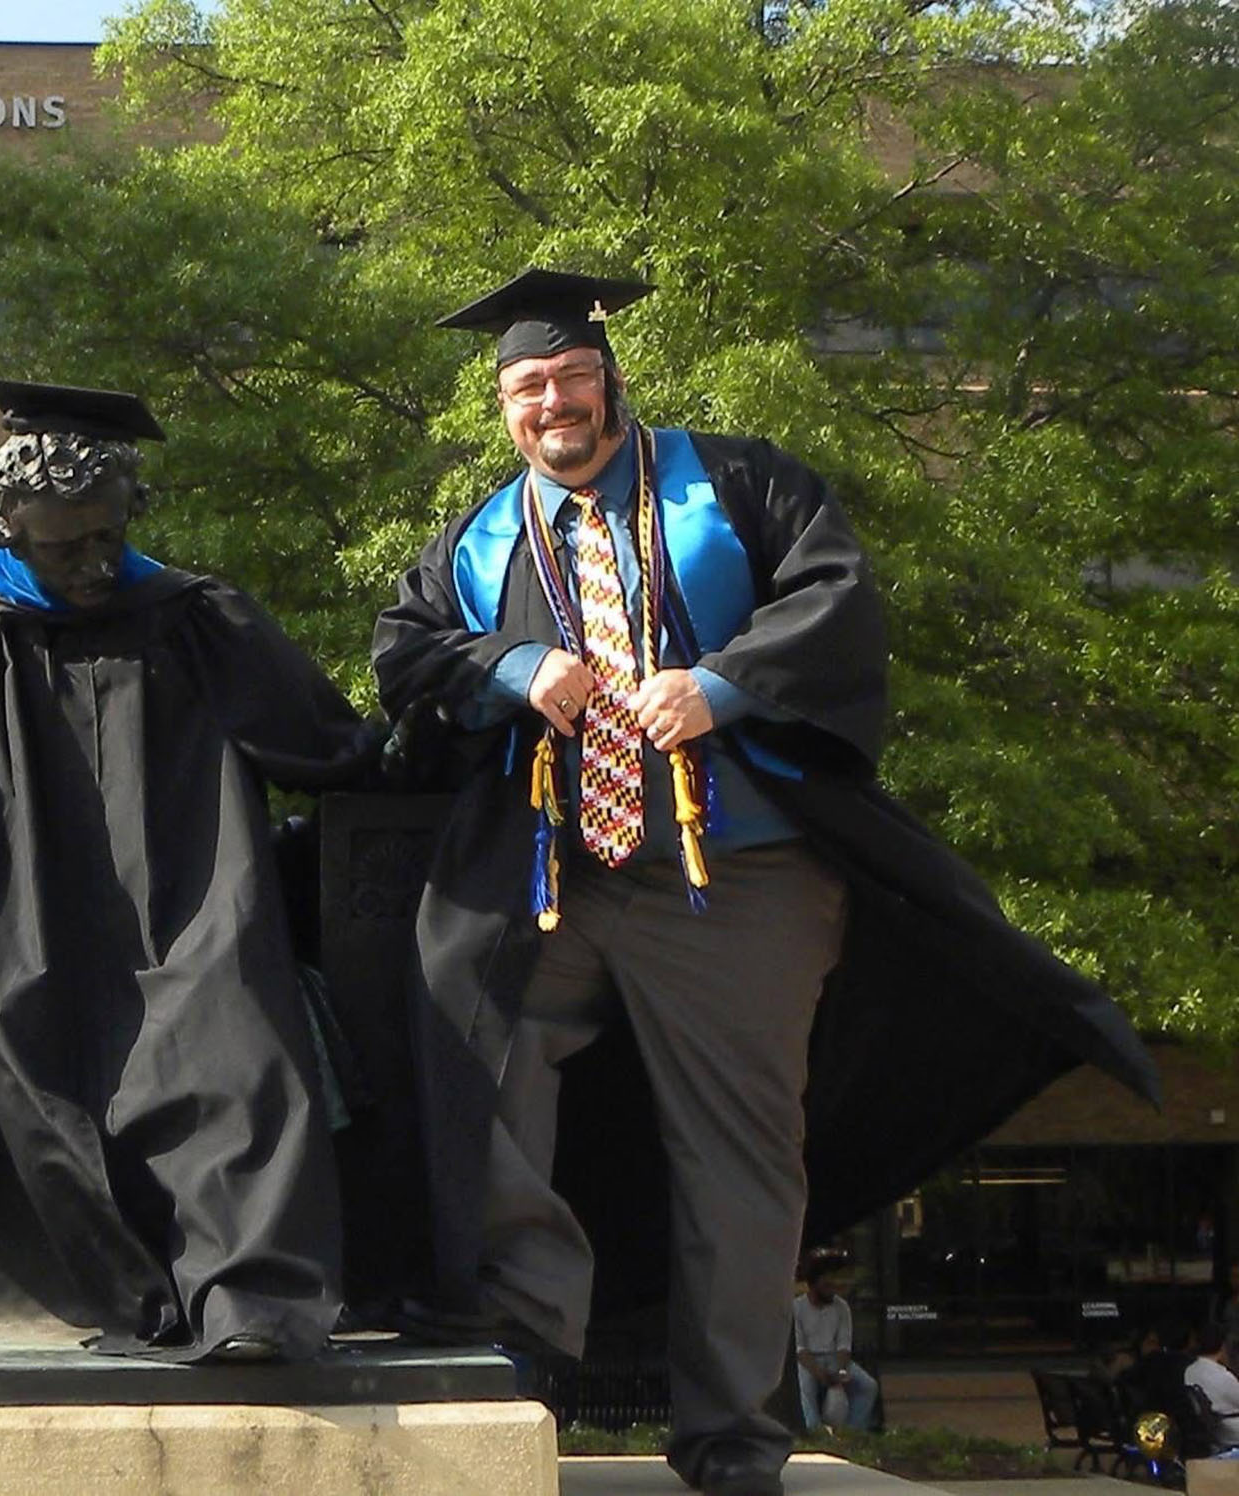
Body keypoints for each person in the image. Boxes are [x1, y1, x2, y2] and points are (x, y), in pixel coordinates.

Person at [370, 267, 1159, 1496]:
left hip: (732, 876)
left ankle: (732, 1435)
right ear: (501, 405)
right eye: (526, 384)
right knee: (479, 1076)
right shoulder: (475, 539)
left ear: (609, 380)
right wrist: (514, 664)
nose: (552, 400)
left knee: (739, 1156)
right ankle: (518, 1351)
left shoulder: (734, 481)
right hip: (552, 879)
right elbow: (405, 650)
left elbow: (836, 600)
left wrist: (718, 682)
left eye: (572, 374)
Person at [0, 377, 378, 1363]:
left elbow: (319, 737)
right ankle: (142, 1296)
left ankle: (249, 1305)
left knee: (243, 1048)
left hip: (195, 895)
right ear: (5, 526)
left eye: (102, 537)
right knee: (24, 1043)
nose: (87, 564)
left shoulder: (192, 614)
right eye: (59, 543)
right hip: (28, 906)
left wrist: (430, 739)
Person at [792, 1255, 877, 1432]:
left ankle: (853, 1431)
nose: (832, 1290)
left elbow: (844, 1345)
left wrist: (841, 1371)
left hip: (834, 1357)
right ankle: (814, 1431)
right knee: (804, 1385)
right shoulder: (797, 1308)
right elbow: (799, 1348)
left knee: (868, 1386)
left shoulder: (841, 1307)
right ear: (813, 1285)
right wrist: (819, 1373)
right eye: (826, 1285)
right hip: (808, 1360)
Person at [1184, 1324, 1239, 1456]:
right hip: (1231, 1432)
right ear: (1223, 1347)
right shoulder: (1222, 1376)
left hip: (1213, 1431)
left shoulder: (1189, 1371)